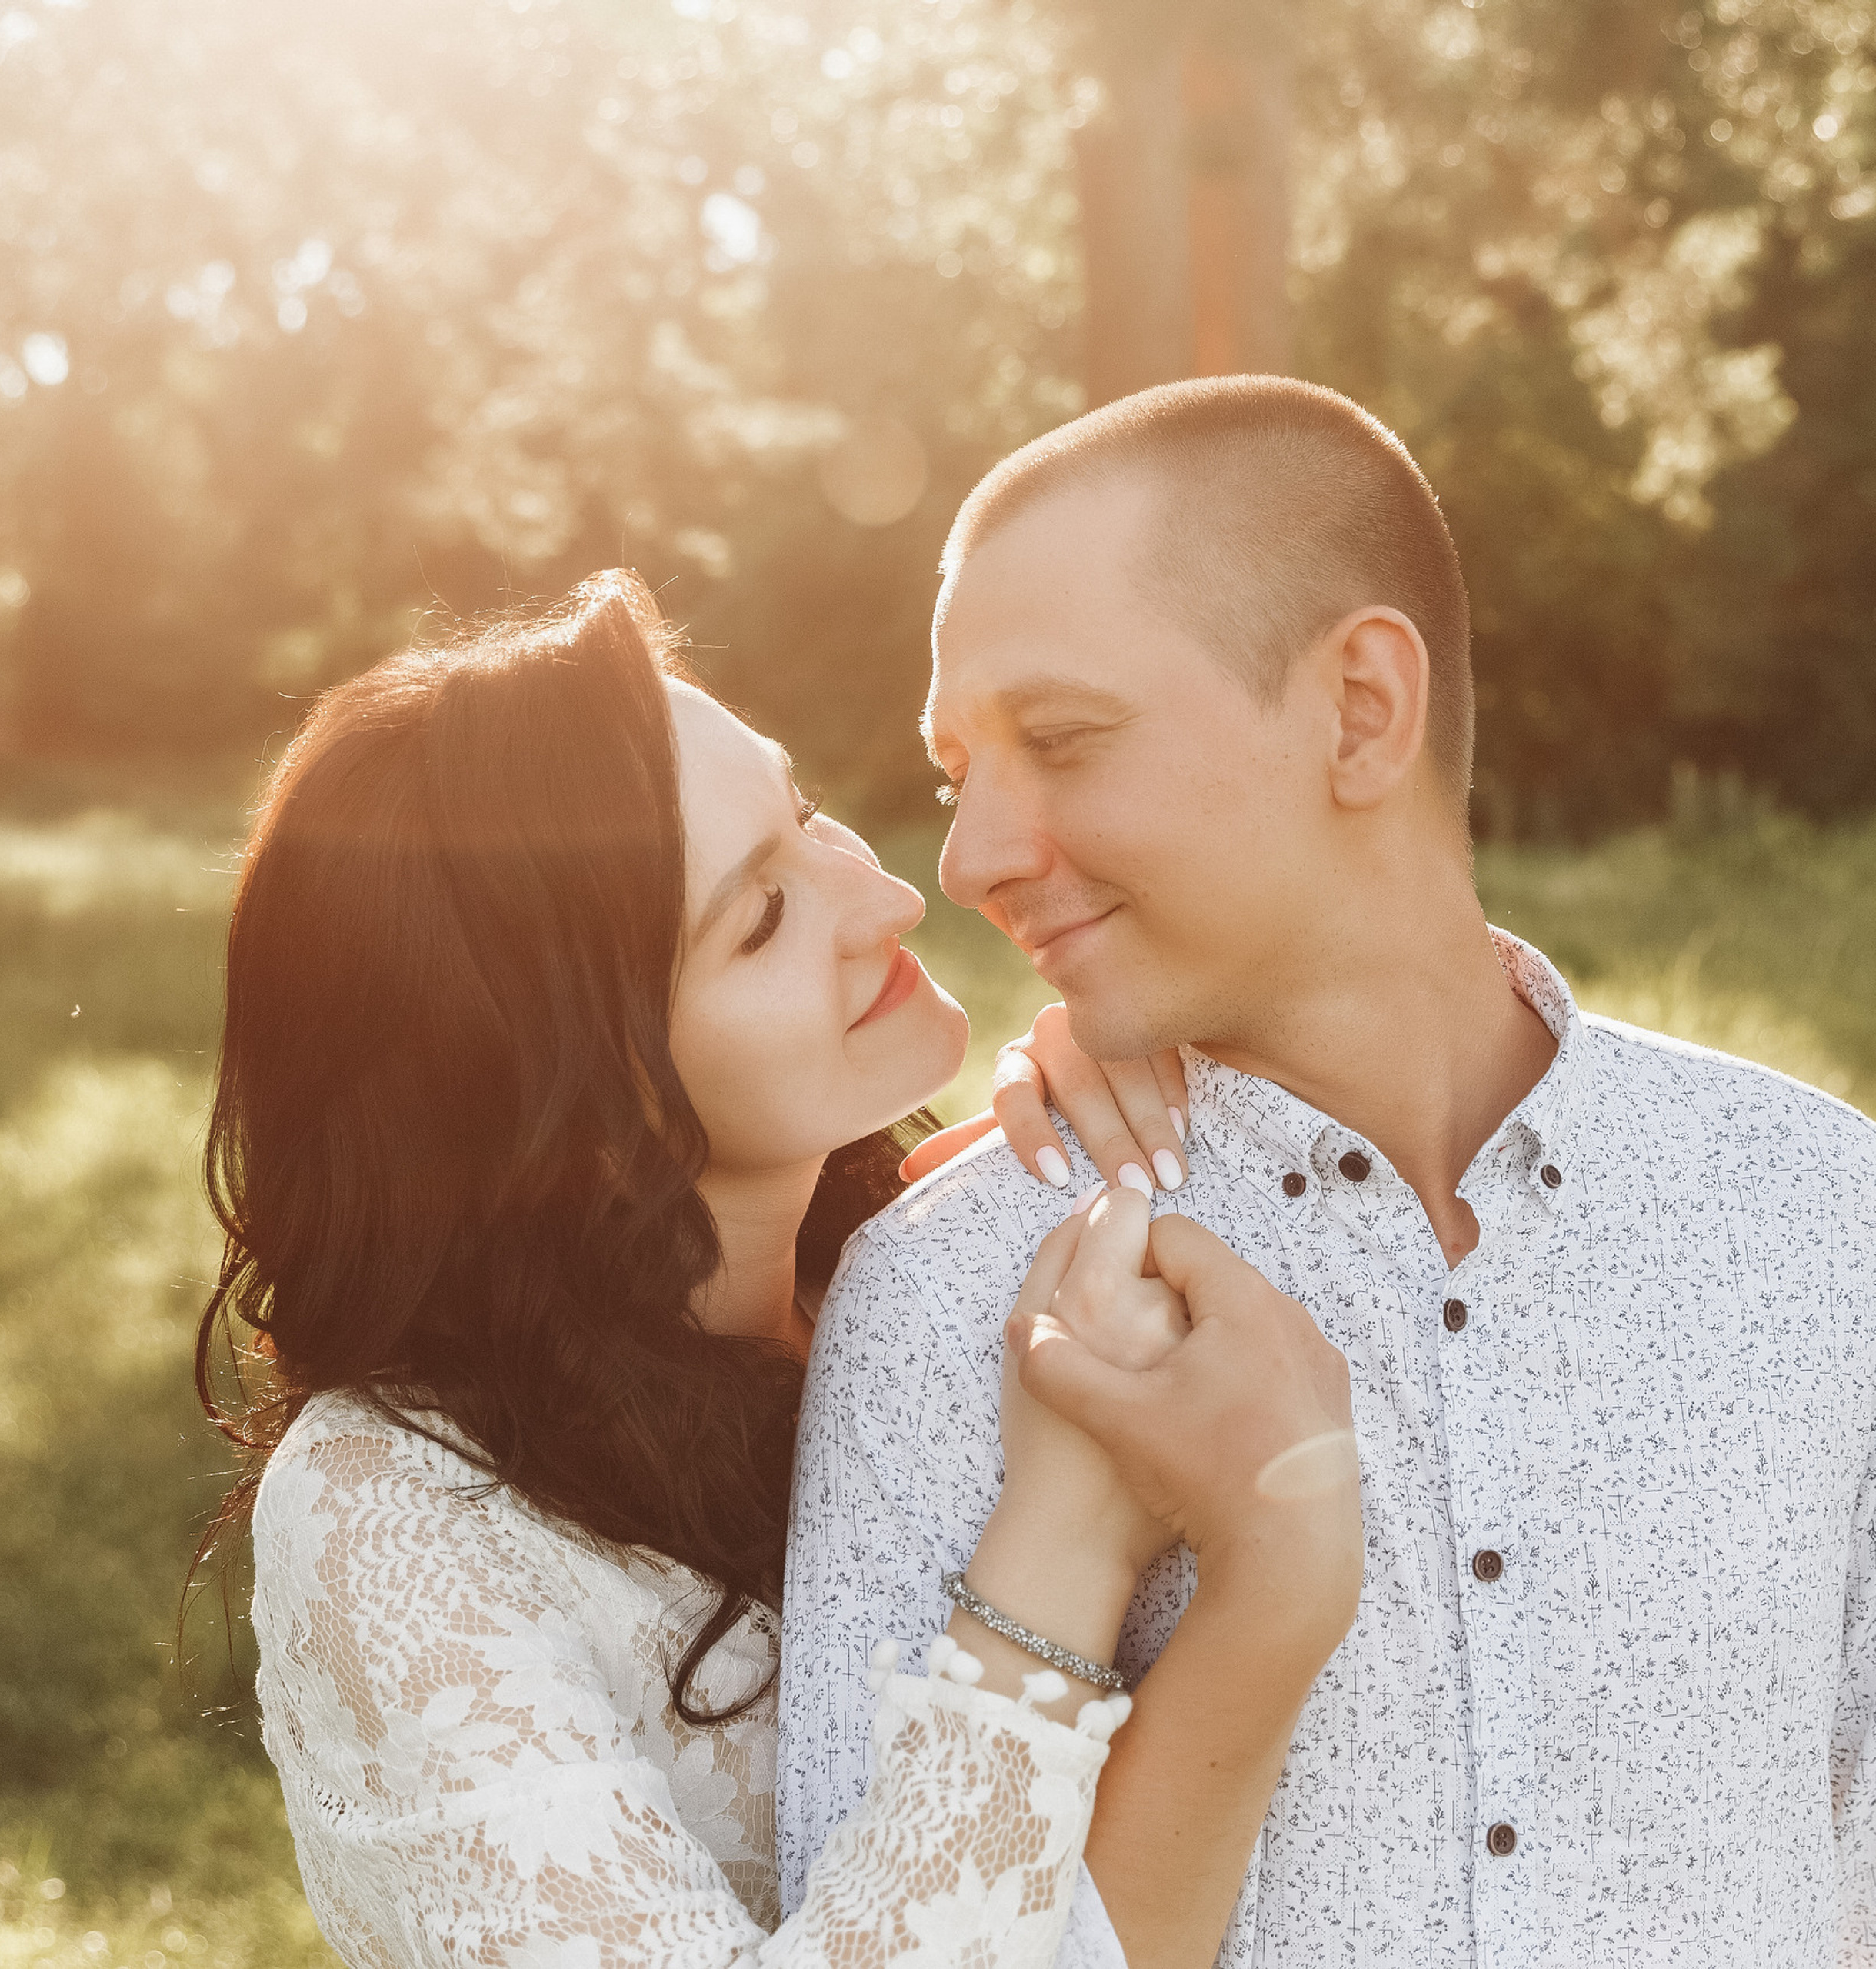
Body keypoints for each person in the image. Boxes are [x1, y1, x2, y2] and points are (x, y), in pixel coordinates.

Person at [779, 376, 1876, 1967]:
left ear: (1358, 707)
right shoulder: (950, 1289)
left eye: (1056, 739)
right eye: (953, 774)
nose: (971, 856)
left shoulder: (1805, 1202)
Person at [192, 569, 1364, 1967]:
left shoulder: (936, 1266)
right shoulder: (392, 1513)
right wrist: (1069, 1536)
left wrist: (1142, 1085)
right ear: (575, 1102)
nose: (886, 898)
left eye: (805, 816)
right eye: (760, 919)